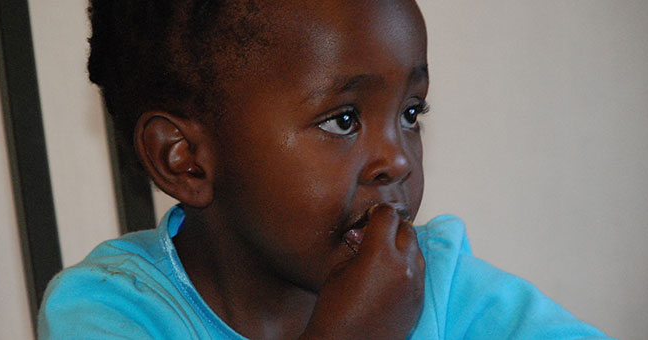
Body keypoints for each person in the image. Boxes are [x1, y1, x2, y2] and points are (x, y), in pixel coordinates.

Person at [38, 0, 611, 339]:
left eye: (410, 113)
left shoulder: (439, 280)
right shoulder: (114, 309)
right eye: (342, 120)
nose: (399, 159)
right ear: (184, 158)